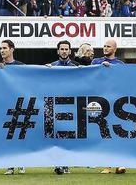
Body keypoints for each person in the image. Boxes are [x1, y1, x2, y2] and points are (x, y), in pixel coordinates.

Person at [90, 40, 127, 175]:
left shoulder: (121, 64)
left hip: (116, 102)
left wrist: (112, 69)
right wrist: (101, 66)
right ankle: (107, 165)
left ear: (115, 49)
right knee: (104, 132)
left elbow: (124, 81)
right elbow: (91, 74)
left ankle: (121, 164)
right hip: (100, 102)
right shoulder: (96, 61)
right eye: (104, 46)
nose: (105, 48)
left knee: (118, 132)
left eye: (108, 46)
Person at [45, 40, 77, 175]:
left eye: (66, 49)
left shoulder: (77, 66)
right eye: (62, 49)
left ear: (70, 51)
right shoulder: (50, 66)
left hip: (71, 105)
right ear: (58, 51)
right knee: (56, 135)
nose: (64, 51)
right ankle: (58, 164)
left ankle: (67, 164)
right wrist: (44, 70)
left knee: (68, 135)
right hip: (55, 105)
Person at [0, 40, 24, 175]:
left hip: (19, 105)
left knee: (19, 135)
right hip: (3, 105)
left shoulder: (21, 66)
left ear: (12, 49)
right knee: (7, 136)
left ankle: (21, 162)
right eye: (0, 48)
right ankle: (10, 165)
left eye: (5, 48)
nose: (2, 50)